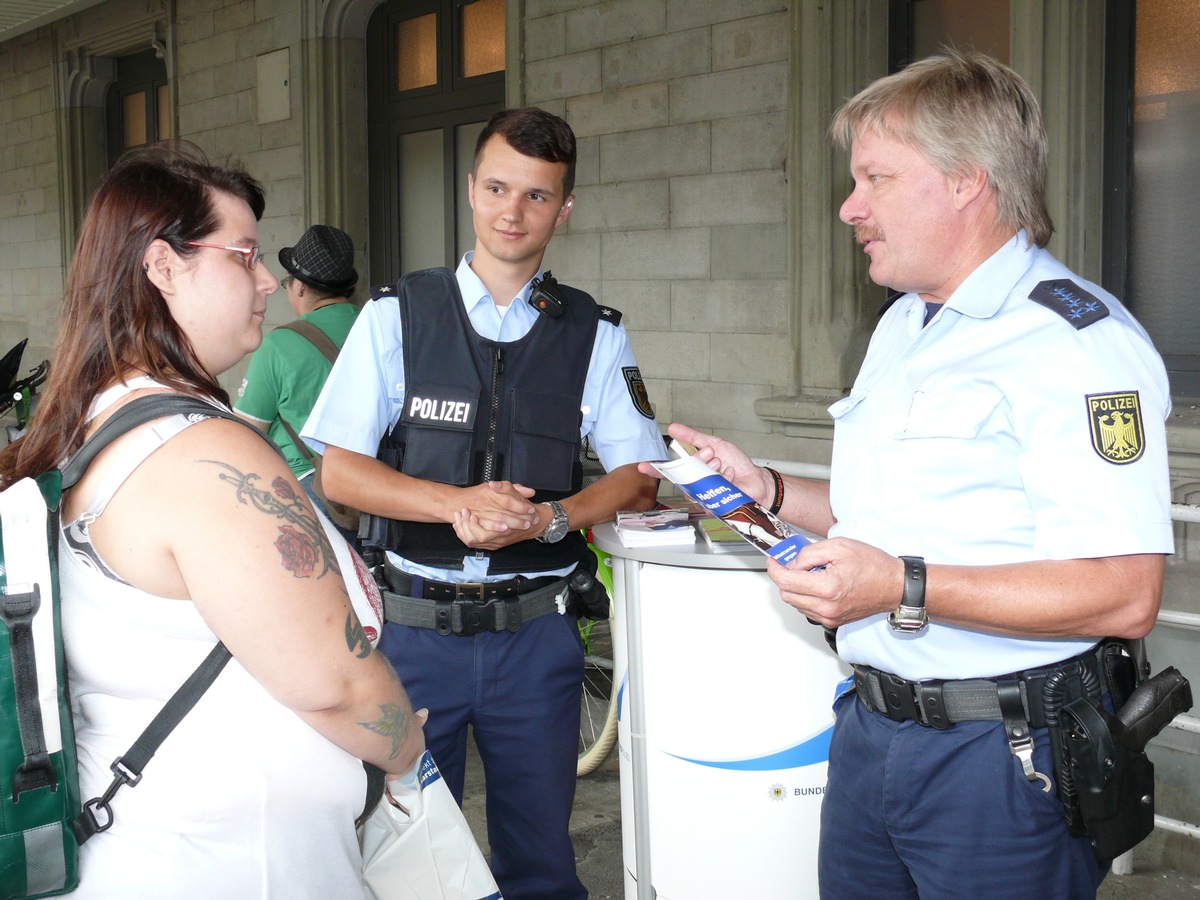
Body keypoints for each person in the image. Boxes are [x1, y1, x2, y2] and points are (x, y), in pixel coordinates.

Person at [648, 51, 1172, 898]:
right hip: (872, 730)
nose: (850, 208)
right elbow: (883, 513)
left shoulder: (1075, 344)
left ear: (967, 180)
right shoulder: (905, 326)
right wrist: (770, 491)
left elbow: (1123, 592)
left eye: (875, 179)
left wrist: (900, 585)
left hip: (1002, 764)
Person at [0, 142, 425, 897]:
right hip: (235, 868)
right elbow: (337, 683)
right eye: (244, 256)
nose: (266, 281)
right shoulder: (200, 453)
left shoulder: (99, 418)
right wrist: (405, 748)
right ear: (163, 266)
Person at [302, 106, 663, 899]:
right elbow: (340, 474)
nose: (513, 211)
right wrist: (452, 504)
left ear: (564, 209)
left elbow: (640, 477)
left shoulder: (594, 334)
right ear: (471, 189)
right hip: (413, 636)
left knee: (541, 864)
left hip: (534, 639)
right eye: (498, 187)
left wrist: (550, 518)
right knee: (396, 855)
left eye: (537, 196)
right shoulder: (397, 316)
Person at [234, 223, 361, 544]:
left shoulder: (279, 344)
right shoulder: (381, 330)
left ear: (301, 287)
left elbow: (246, 436)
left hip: (310, 491)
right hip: (377, 487)